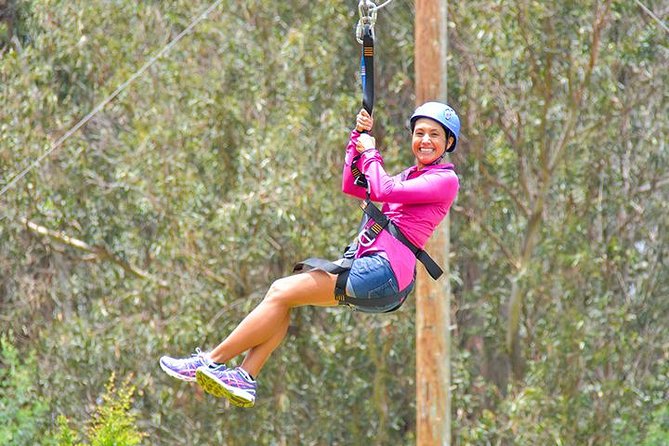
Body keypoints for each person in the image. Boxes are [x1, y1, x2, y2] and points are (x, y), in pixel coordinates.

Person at [159, 102, 460, 408]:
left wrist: (370, 151)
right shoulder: (412, 175)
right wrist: (356, 139)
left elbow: (381, 188)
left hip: (384, 271)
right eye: (419, 132)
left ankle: (210, 361)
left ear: (448, 143)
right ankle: (245, 376)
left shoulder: (445, 180)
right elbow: (353, 186)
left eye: (434, 135)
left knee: (280, 289)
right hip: (378, 272)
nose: (425, 140)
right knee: (284, 299)